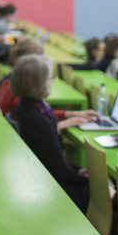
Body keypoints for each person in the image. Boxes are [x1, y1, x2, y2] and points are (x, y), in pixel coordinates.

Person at [9, 54, 91, 212]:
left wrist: (77, 171)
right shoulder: (39, 121)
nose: (52, 81)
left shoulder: (25, 109)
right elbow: (61, 174)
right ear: (37, 84)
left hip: (44, 180)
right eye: (49, 78)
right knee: (103, 193)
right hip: (52, 192)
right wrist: (84, 178)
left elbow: (54, 162)